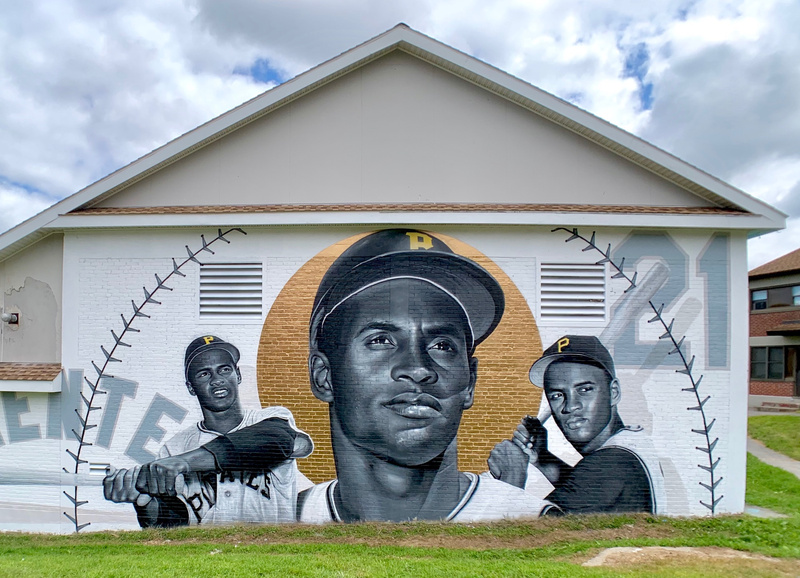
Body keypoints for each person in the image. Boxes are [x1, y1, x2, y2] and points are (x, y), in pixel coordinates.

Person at [297, 229, 555, 522]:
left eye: (442, 346)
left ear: (470, 382)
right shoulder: (288, 522)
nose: (419, 368)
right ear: (324, 375)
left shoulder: (531, 522)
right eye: (381, 340)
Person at [103, 335, 313, 527]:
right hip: (208, 558)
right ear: (191, 387)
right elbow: (174, 523)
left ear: (238, 375)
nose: (217, 379)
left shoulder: (270, 419)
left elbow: (280, 440)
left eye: (225, 369)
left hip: (270, 555)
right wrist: (143, 500)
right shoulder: (174, 448)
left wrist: (183, 463)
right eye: (204, 374)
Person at [488, 335, 666, 514]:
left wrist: (512, 476)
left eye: (584, 390)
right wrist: (543, 459)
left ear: (614, 392)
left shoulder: (611, 465)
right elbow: (588, 488)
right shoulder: (631, 442)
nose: (570, 406)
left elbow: (526, 536)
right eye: (557, 395)